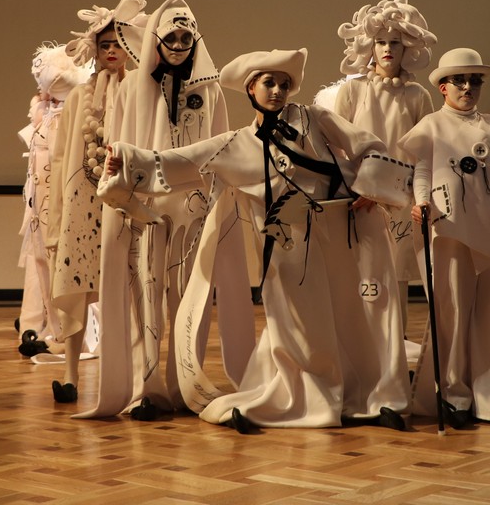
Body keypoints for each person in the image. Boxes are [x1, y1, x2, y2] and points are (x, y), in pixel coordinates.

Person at [101, 48, 410, 432]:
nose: (277, 90)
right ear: (251, 88)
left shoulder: (313, 118)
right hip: (289, 245)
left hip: (348, 230)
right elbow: (180, 160)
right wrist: (126, 160)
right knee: (300, 326)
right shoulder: (237, 144)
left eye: (284, 84)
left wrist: (370, 187)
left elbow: (369, 145)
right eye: (269, 83)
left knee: (360, 315)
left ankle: (373, 397)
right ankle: (312, 399)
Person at [76, 0, 253, 421]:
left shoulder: (210, 90)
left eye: (184, 38)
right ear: (156, 39)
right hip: (145, 207)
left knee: (190, 298)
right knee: (145, 295)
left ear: (195, 41)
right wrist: (121, 182)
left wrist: (214, 202)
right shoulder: (132, 88)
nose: (177, 45)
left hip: (193, 208)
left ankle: (183, 384)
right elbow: (117, 143)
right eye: (169, 37)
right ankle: (147, 389)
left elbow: (221, 147)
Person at [400, 47, 490, 427]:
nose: (467, 87)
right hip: (450, 229)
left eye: (474, 81)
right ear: (443, 87)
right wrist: (421, 202)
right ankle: (453, 396)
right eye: (459, 80)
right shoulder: (432, 125)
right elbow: (422, 171)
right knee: (452, 312)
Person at [44, 0, 146, 402]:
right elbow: (60, 159)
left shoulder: (140, 94)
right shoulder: (78, 99)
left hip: (126, 199)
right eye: (105, 45)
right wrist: (55, 221)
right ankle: (70, 375)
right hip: (83, 200)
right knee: (78, 287)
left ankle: (137, 376)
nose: (112, 52)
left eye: (119, 44)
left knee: (132, 288)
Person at [332, 0, 436, 338]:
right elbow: (337, 145)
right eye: (380, 42)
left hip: (402, 198)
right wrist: (357, 190)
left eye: (395, 42)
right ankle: (360, 344)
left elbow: (426, 152)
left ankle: (396, 345)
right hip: (359, 198)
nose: (387, 48)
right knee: (362, 273)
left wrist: (415, 195)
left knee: (398, 275)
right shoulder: (353, 90)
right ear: (370, 46)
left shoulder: (417, 95)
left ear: (408, 48)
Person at [15, 41, 89, 356]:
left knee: (61, 263)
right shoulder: (47, 114)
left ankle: (64, 332)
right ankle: (45, 325)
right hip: (40, 202)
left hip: (60, 201)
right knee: (41, 262)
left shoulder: (67, 117)